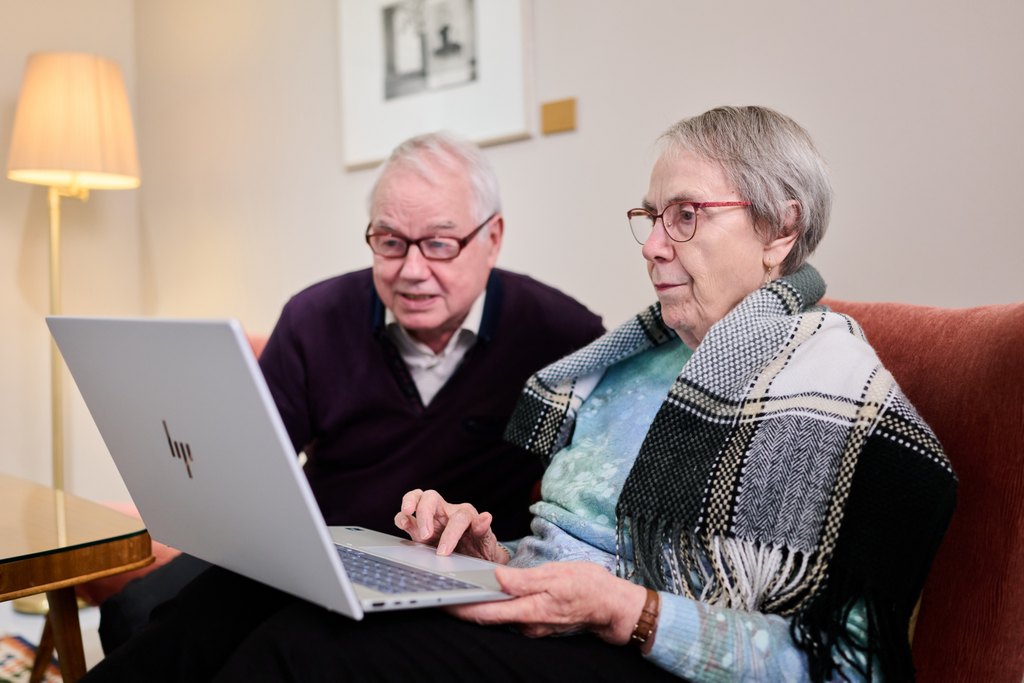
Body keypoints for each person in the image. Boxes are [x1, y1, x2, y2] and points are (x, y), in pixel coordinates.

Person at [83, 106, 956, 682]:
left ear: (782, 228)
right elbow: (557, 552)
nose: (652, 246)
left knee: (303, 647)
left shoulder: (835, 393)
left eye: (684, 215)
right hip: (537, 609)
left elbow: (842, 662)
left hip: (634, 651)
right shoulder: (623, 365)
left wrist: (630, 606)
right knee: (231, 599)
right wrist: (486, 546)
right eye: (648, 218)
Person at [95, 131, 604, 652]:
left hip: (449, 573)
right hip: (312, 552)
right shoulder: (314, 318)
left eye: (438, 244)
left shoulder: (563, 337)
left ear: (492, 238)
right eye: (389, 241)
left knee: (285, 649)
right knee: (134, 614)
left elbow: (582, 501)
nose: (411, 270)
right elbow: (251, 467)